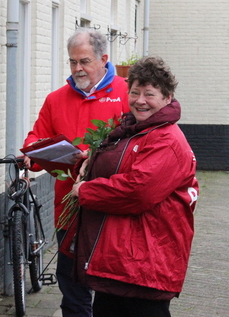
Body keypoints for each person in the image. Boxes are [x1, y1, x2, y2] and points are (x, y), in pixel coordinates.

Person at [70, 56, 199, 317]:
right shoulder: (132, 130)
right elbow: (117, 166)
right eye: (135, 92)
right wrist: (87, 162)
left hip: (144, 264)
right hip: (118, 261)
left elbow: (137, 191)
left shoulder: (167, 140)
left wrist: (86, 191)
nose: (140, 100)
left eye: (149, 94)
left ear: (167, 98)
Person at [23, 28, 129, 317]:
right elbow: (34, 141)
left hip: (111, 209)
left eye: (84, 61)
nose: (77, 69)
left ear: (104, 59)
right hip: (68, 207)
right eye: (72, 62)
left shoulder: (127, 95)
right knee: (71, 283)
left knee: (109, 285)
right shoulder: (56, 99)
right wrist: (32, 158)